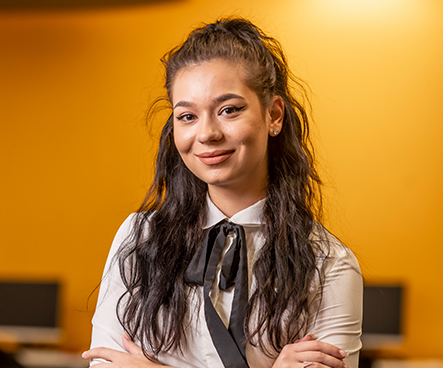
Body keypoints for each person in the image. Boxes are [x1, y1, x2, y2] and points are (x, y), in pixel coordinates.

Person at [82, 18, 362, 368]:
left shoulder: (329, 264)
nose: (207, 133)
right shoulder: (140, 237)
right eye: (187, 116)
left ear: (274, 115)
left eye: (229, 110)